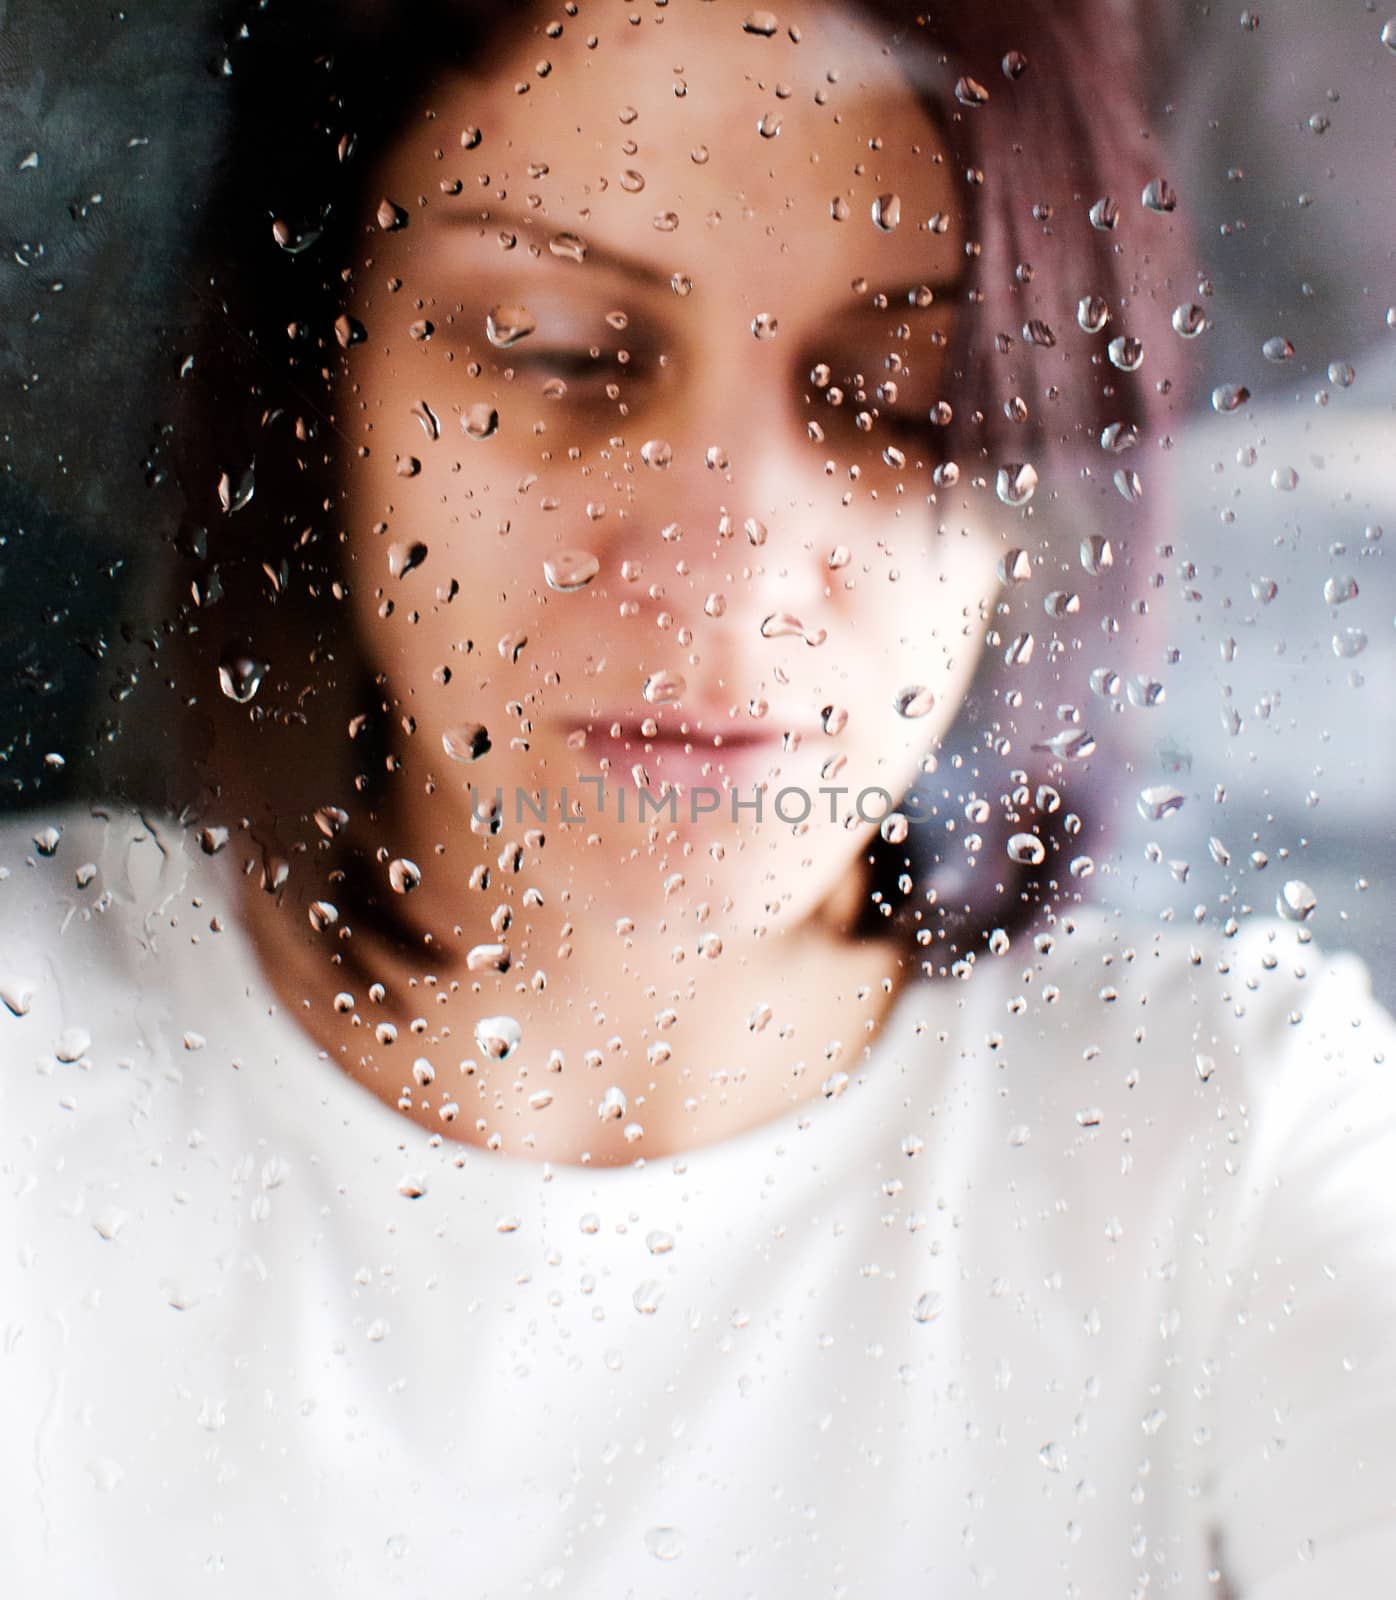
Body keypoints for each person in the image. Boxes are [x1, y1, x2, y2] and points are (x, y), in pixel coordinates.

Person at [1, 0, 1394, 1593]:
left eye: (903, 397)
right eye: (560, 352)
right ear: (320, 385)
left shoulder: (1233, 1145)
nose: (721, 569)